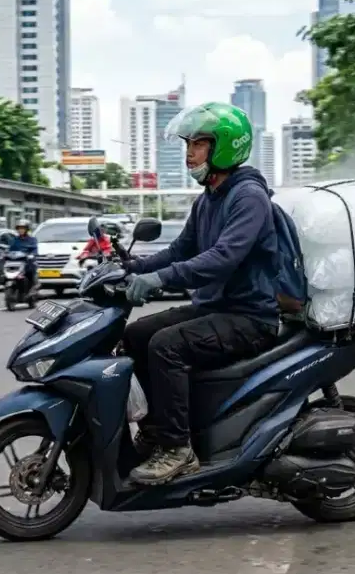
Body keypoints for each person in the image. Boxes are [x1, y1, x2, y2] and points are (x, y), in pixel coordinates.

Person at [120, 101, 280, 485]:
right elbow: (180, 250)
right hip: (215, 307)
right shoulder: (208, 198)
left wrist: (160, 280)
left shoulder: (248, 197)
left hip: (249, 316)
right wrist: (131, 268)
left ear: (225, 146)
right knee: (136, 335)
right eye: (188, 143)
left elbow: (224, 258)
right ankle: (158, 429)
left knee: (166, 346)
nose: (190, 152)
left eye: (199, 143)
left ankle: (179, 450)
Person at [8, 219, 39, 289]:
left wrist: (32, 254)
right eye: (19, 228)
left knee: (31, 270)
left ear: (27, 229)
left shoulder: (32, 239)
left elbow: (35, 249)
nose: (21, 230)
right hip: (16, 263)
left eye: (23, 228)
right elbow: (10, 249)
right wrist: (5, 254)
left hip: (27, 262)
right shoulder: (14, 239)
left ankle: (32, 286)